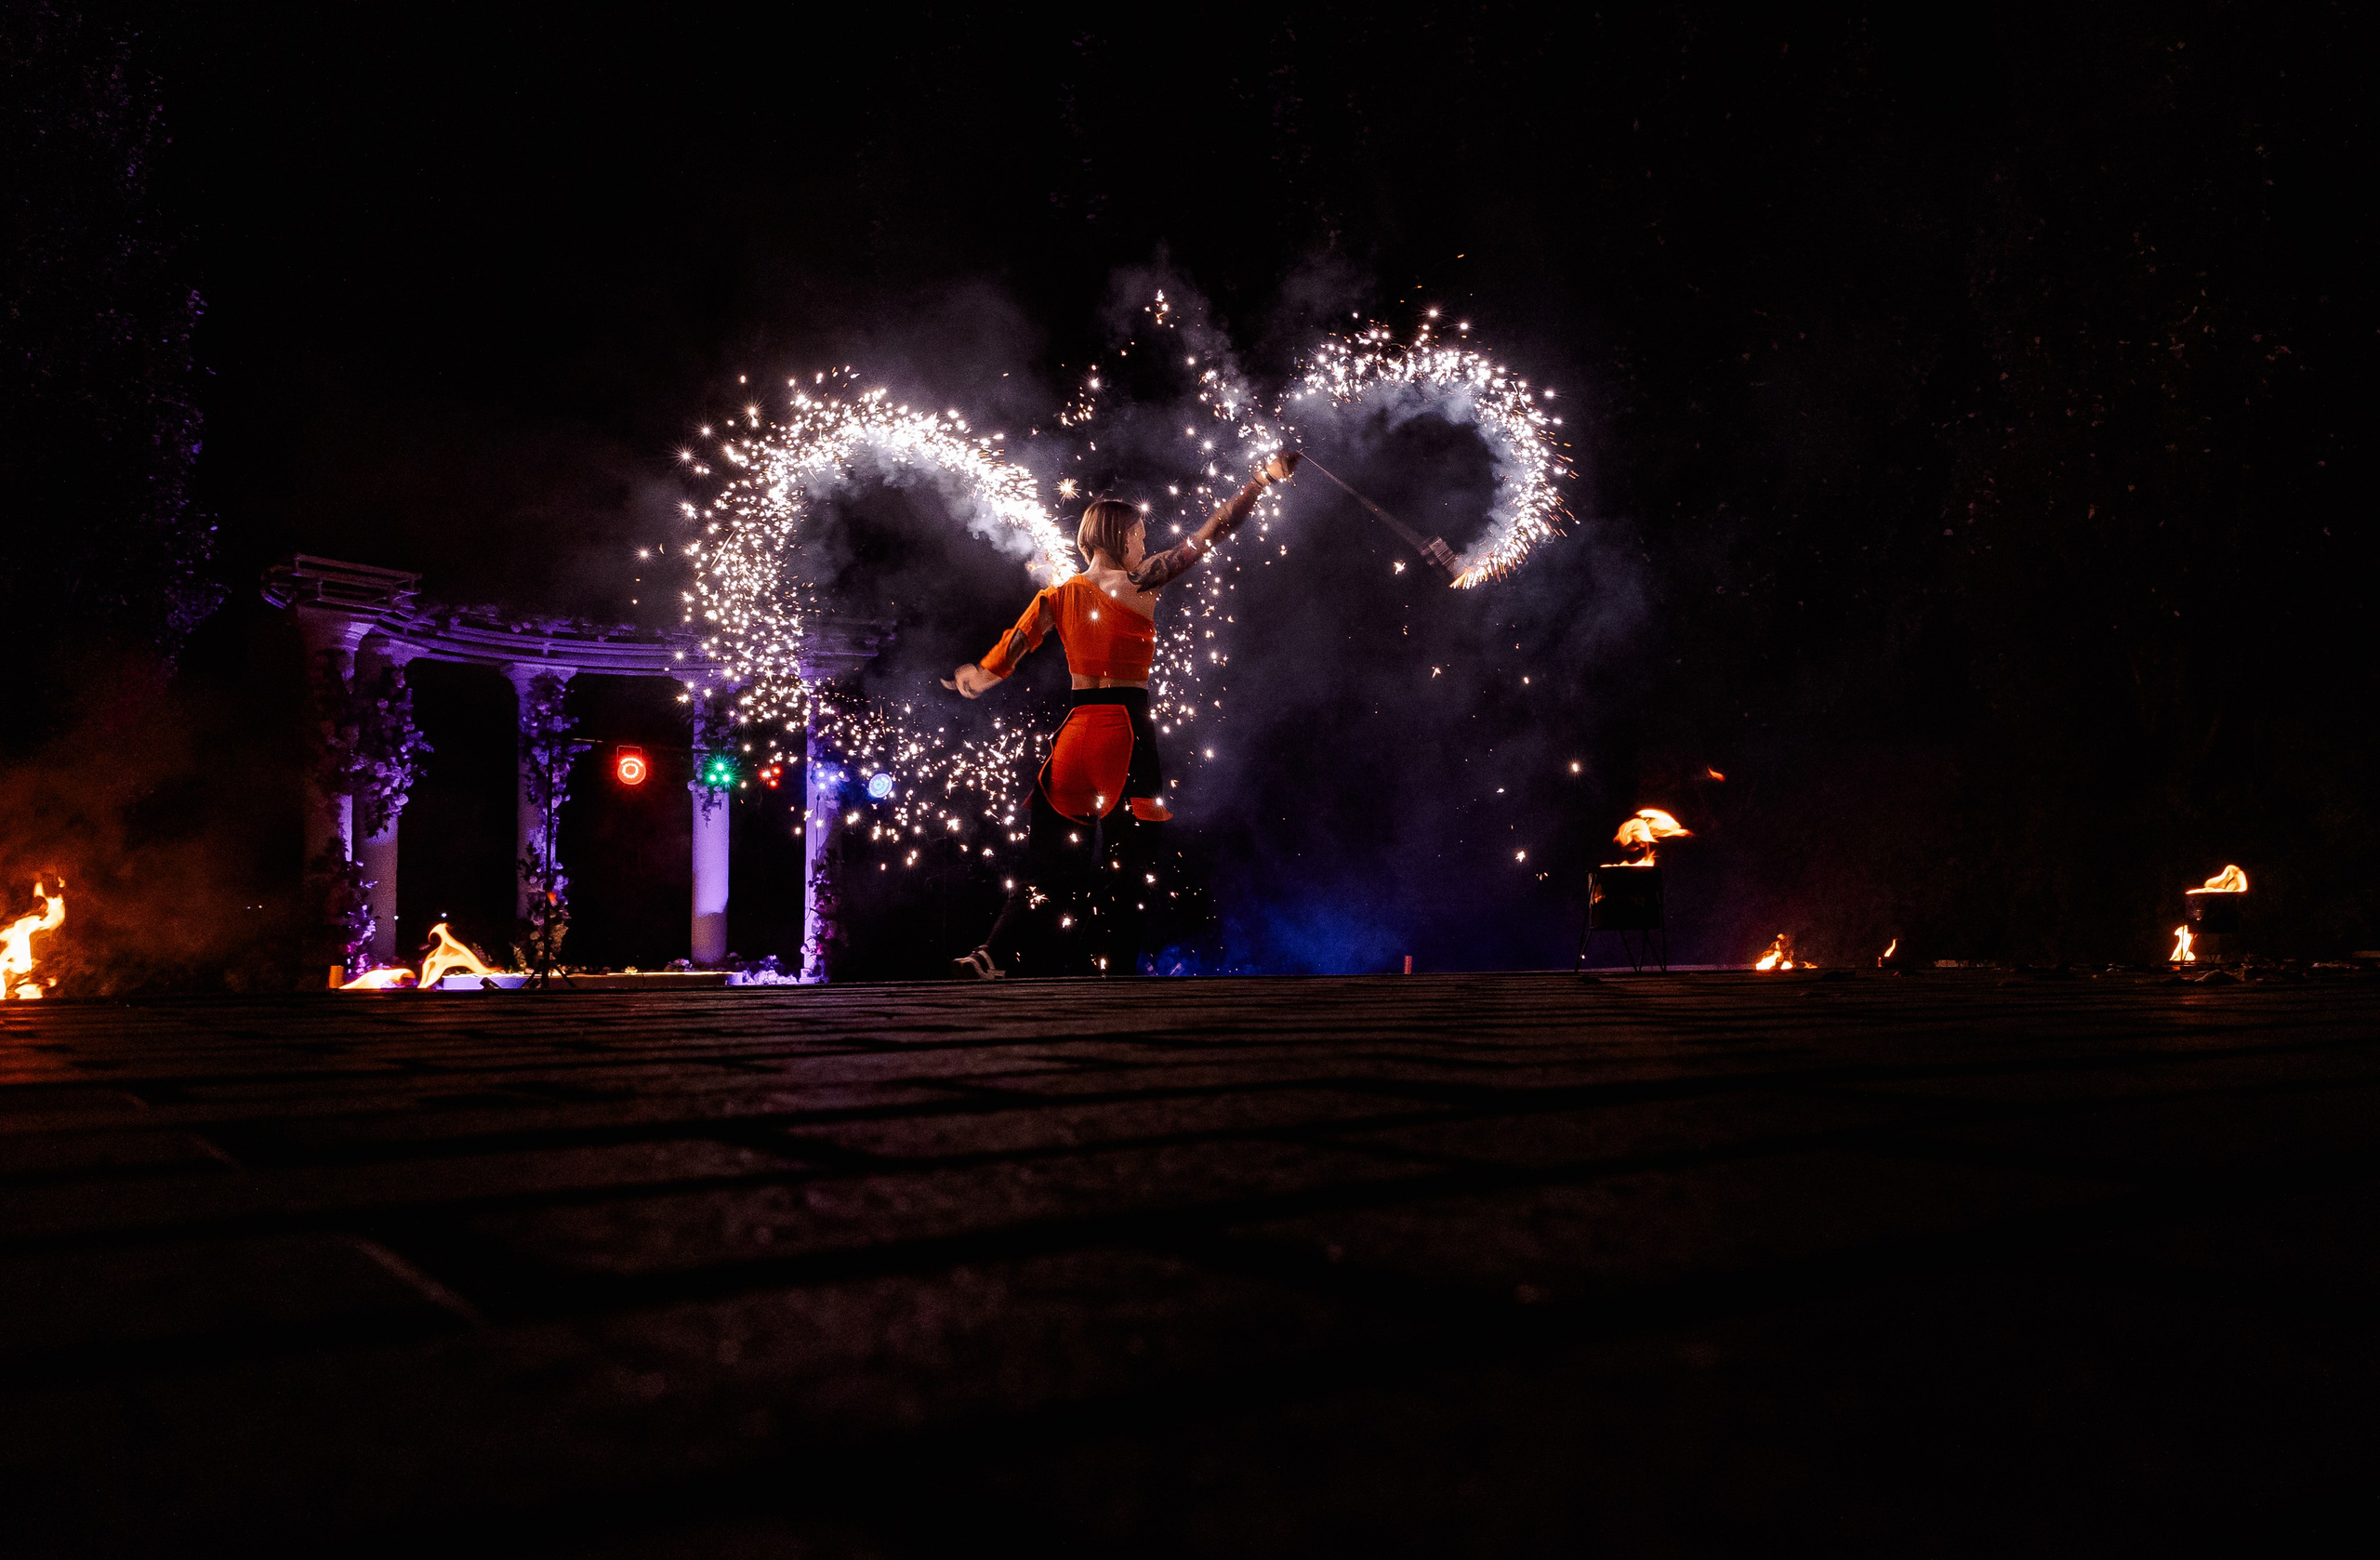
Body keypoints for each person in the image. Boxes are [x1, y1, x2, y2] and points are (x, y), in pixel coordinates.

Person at [945, 451, 1302, 978]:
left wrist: (975, 678)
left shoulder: (1055, 596)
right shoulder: (1141, 582)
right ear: (1120, 537)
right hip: (1125, 737)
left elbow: (1007, 654)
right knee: (1128, 867)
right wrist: (1259, 481)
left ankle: (992, 954)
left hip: (1073, 741)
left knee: (1045, 864)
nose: (1143, 544)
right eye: (1139, 536)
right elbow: (1213, 531)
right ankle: (1107, 973)